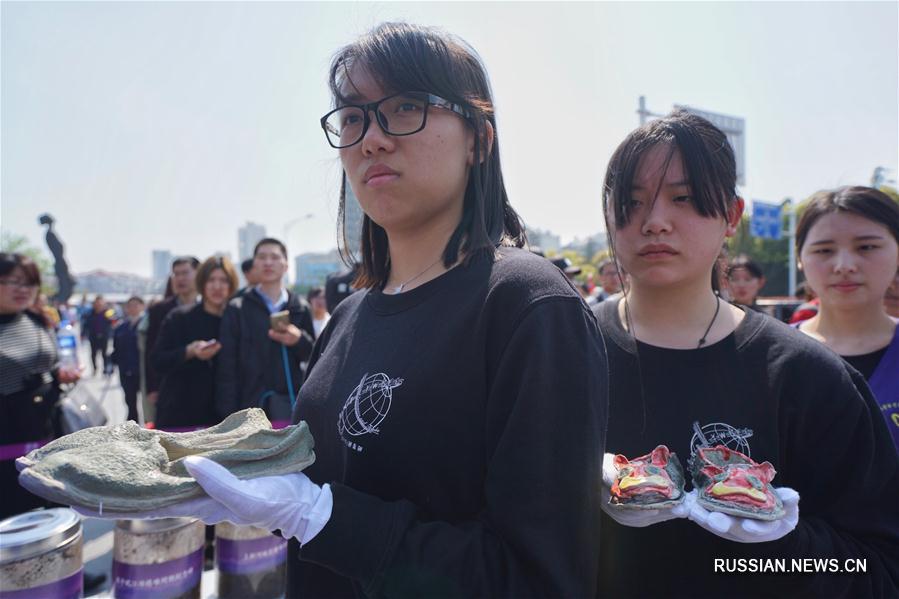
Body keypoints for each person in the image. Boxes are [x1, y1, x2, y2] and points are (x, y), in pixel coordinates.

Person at [80, 23, 608, 598]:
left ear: (478, 139)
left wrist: (323, 517)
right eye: (353, 118)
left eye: (405, 107)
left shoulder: (528, 306)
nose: (371, 140)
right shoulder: (351, 314)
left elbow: (539, 579)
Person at [593, 111, 899, 597]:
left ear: (731, 216)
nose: (654, 222)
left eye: (684, 198)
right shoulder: (558, 352)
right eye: (631, 201)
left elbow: (878, 568)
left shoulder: (807, 377)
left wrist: (778, 544)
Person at [794, 186, 899, 452]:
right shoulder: (764, 358)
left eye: (866, 247)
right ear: (799, 258)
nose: (844, 265)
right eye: (824, 250)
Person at [0, 253, 79, 518]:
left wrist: (61, 375)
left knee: (54, 524)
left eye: (31, 283)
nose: (25, 290)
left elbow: (50, 365)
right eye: (15, 282)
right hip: (7, 445)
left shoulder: (36, 320)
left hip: (47, 441)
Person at [215, 238, 315, 423]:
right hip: (249, 405)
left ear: (285, 266)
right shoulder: (238, 308)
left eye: (275, 257)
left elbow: (314, 357)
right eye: (262, 257)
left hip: (290, 403)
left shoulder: (300, 307)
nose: (268, 262)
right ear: (254, 265)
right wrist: (228, 413)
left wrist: (299, 340)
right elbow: (227, 365)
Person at [152, 257, 238, 430]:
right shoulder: (179, 318)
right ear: (202, 283)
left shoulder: (238, 319)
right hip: (181, 413)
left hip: (225, 417)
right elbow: (157, 361)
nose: (217, 287)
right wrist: (189, 351)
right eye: (211, 280)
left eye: (223, 280)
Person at [144, 256, 199, 411]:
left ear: (198, 273)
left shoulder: (211, 307)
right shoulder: (159, 310)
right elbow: (151, 351)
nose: (180, 278)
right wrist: (152, 388)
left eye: (185, 273)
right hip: (169, 385)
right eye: (176, 274)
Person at [112, 296, 145, 422]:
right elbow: (116, 349)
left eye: (136, 305)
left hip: (142, 370)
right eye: (130, 305)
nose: (132, 308)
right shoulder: (121, 327)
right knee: (130, 401)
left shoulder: (146, 325)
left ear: (142, 306)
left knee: (146, 403)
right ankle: (133, 426)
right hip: (125, 370)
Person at [82, 295, 114, 376]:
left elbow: (114, 321)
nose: (99, 304)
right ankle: (95, 369)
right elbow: (85, 324)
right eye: (97, 303)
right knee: (93, 354)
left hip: (104, 336)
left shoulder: (108, 312)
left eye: (101, 303)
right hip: (93, 336)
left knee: (104, 353)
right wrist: (83, 334)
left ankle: (105, 369)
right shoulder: (90, 312)